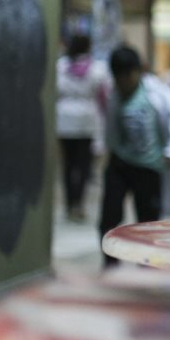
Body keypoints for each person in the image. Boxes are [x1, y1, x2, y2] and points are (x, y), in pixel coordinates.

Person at [99, 45, 170, 266]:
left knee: (148, 223)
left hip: (149, 168)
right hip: (120, 163)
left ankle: (147, 266)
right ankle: (110, 265)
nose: (123, 83)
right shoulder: (115, 95)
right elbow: (110, 130)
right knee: (109, 217)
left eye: (127, 76)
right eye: (118, 78)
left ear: (138, 72)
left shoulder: (157, 93)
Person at [56, 34, 110, 222]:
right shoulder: (97, 69)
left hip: (64, 121)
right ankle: (79, 204)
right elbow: (103, 97)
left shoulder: (61, 66)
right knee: (83, 165)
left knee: (67, 165)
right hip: (86, 121)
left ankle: (69, 203)